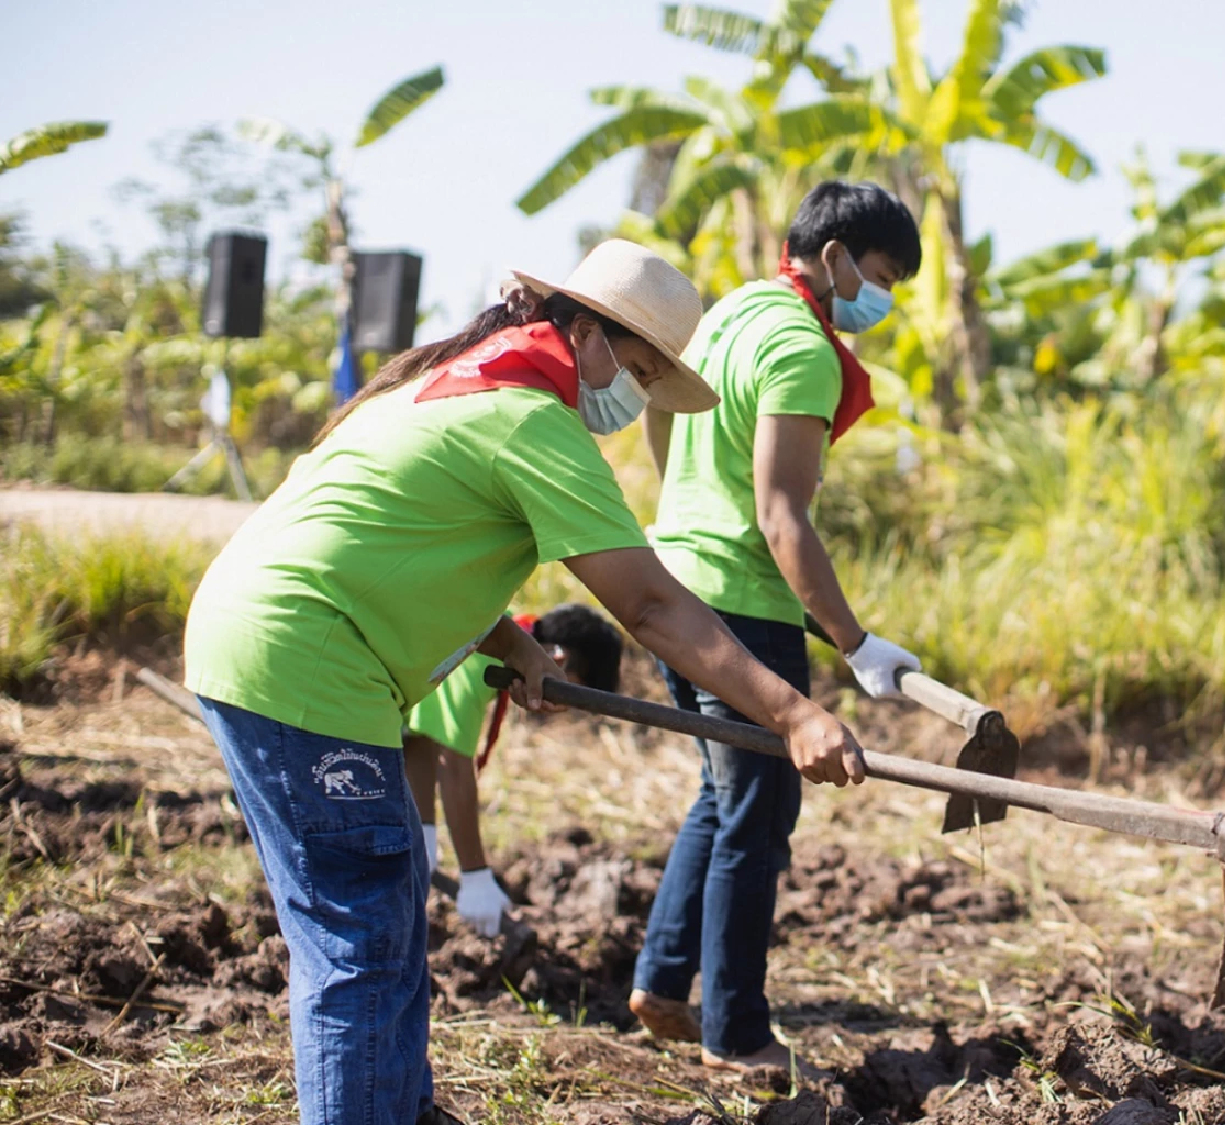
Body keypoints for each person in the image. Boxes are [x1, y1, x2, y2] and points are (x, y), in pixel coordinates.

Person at [182, 239, 867, 1125]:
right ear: (584, 332)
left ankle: (399, 1107)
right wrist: (792, 712)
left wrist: (514, 644)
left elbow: (409, 538)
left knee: (385, 910)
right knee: (356, 932)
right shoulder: (527, 417)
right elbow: (651, 605)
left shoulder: (463, 379)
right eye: (639, 367)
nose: (635, 395)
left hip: (275, 637)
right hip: (301, 657)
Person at [628, 181, 923, 1075]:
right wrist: (856, 641)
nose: (879, 300)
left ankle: (663, 979)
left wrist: (685, 509)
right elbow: (782, 516)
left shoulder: (731, 316)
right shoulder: (803, 346)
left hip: (675, 581)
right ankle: (738, 1033)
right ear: (832, 257)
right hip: (743, 606)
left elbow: (658, 412)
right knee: (760, 813)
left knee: (724, 797)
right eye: (876, 275)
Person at [404, 604, 625, 936]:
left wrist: (422, 830)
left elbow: (421, 735)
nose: (561, 712)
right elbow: (453, 768)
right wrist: (475, 875)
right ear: (559, 661)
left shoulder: (497, 632)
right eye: (573, 697)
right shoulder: (480, 655)